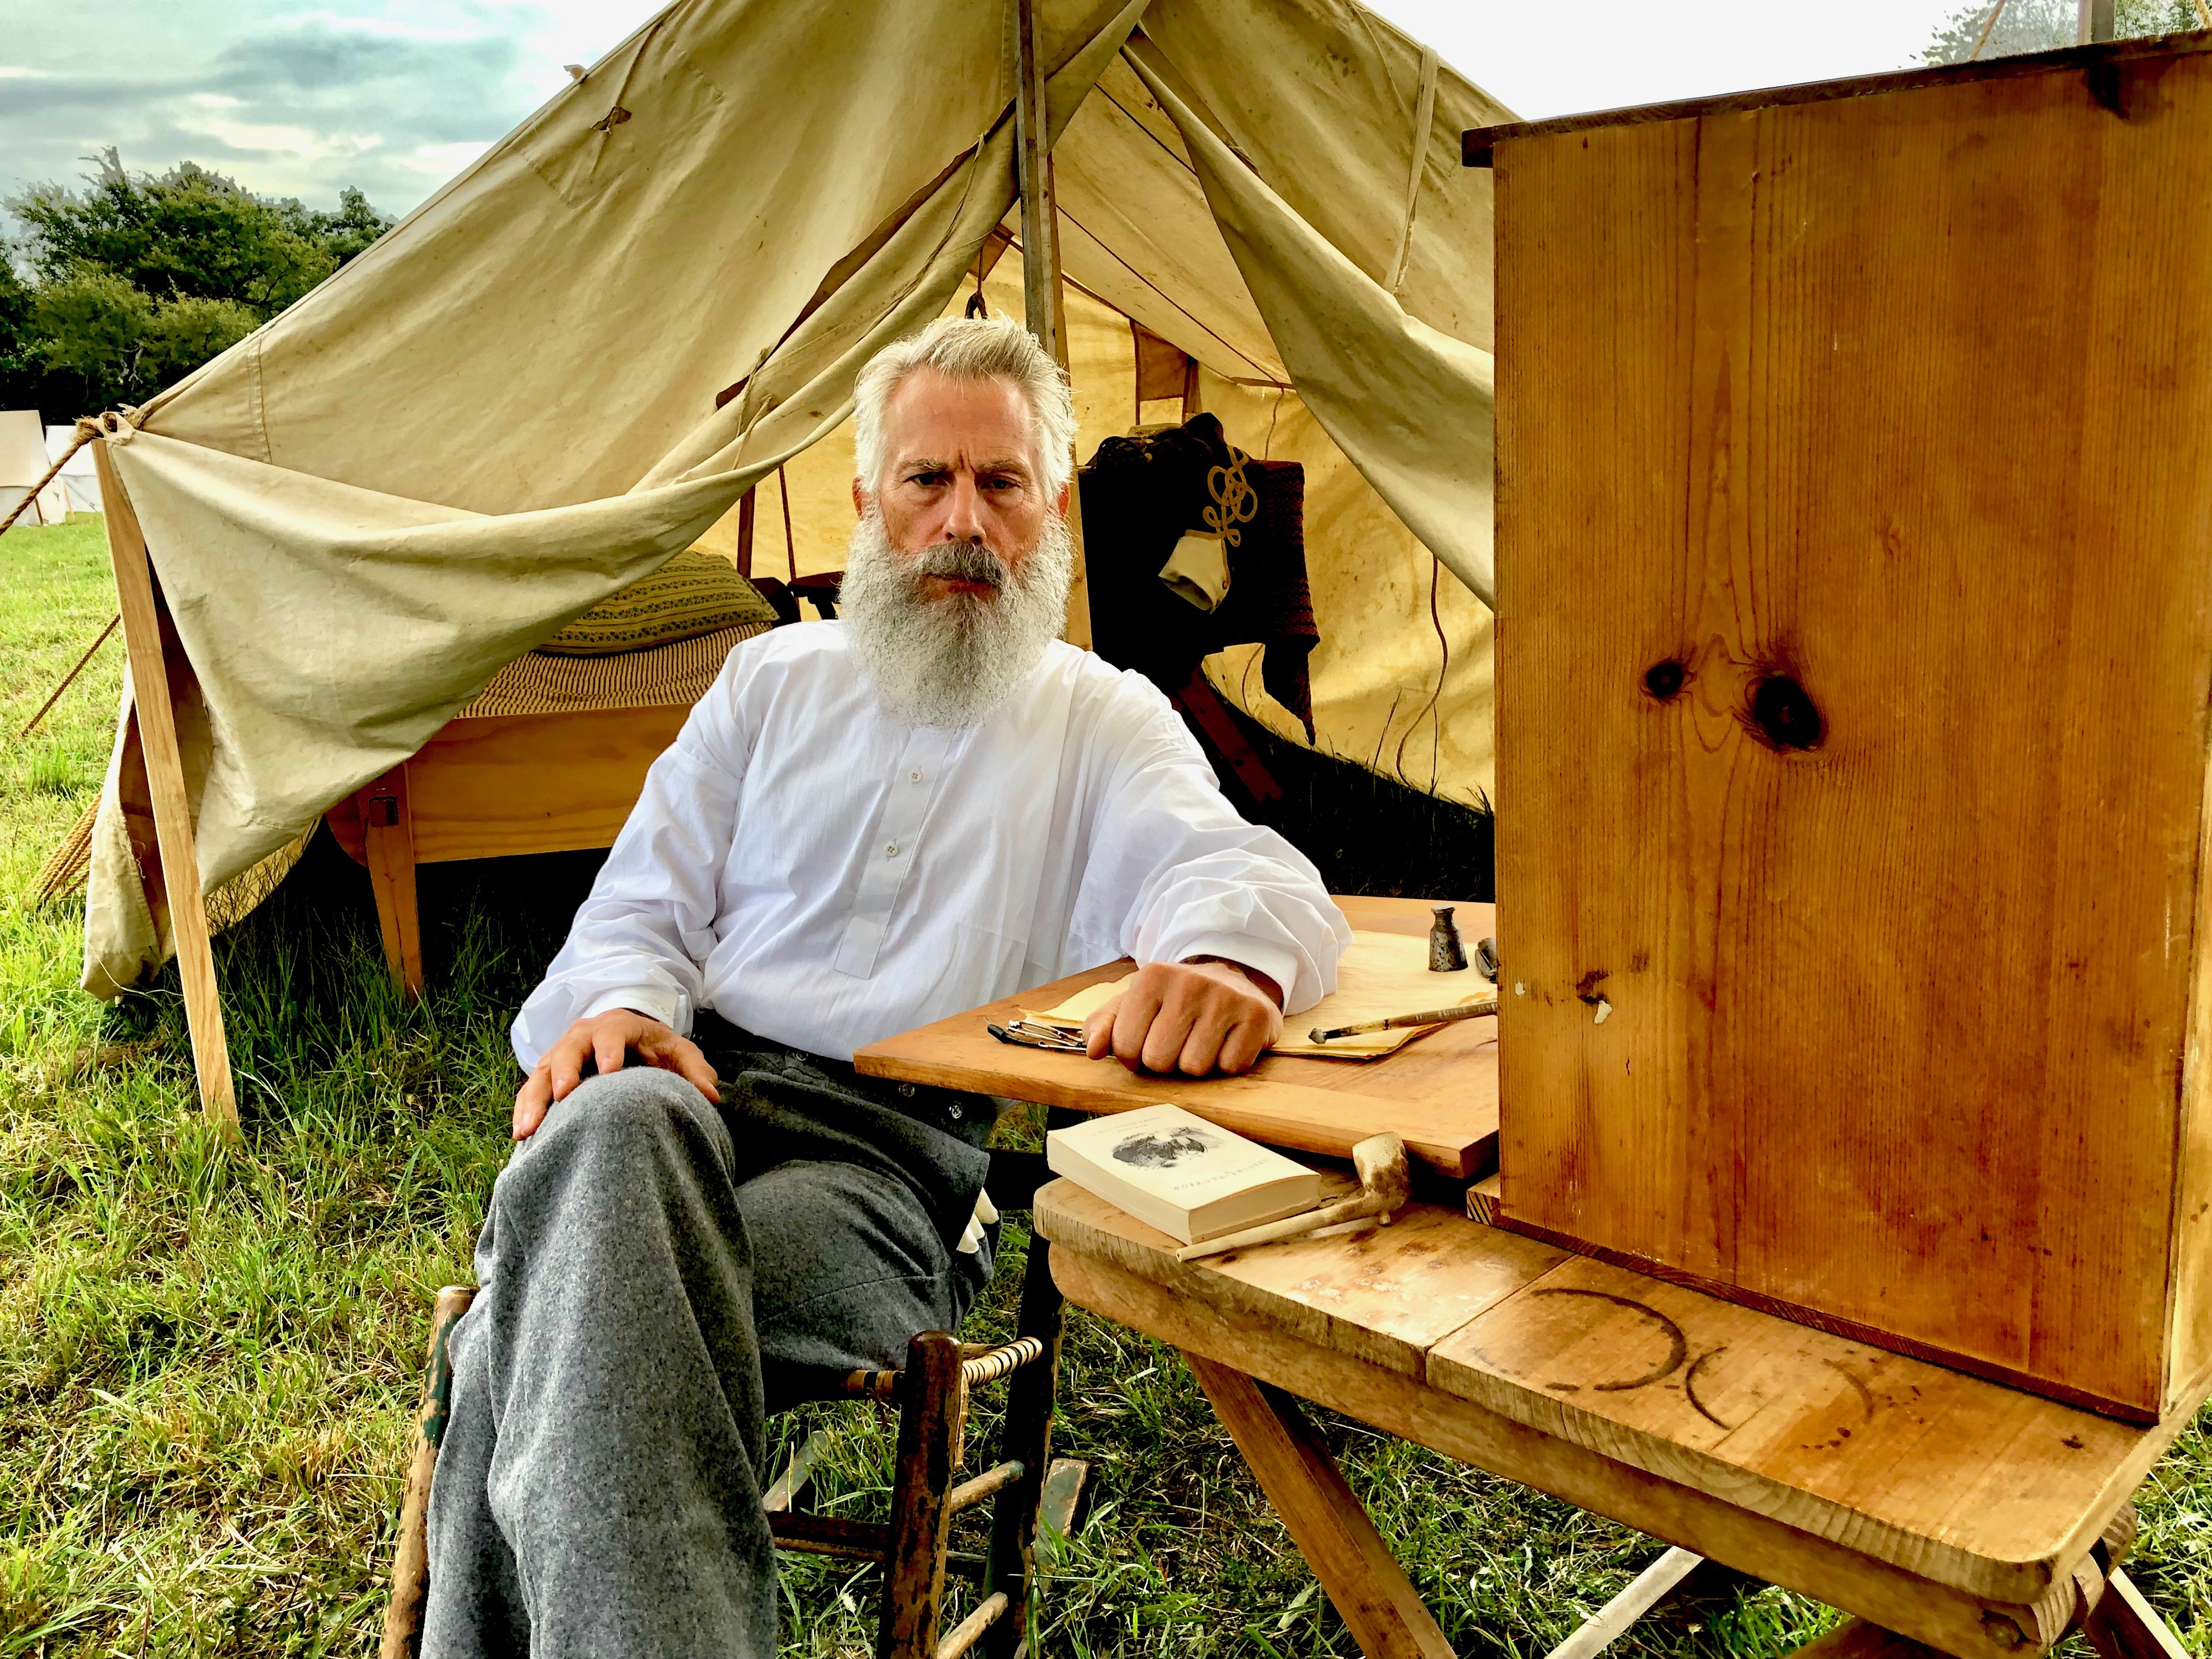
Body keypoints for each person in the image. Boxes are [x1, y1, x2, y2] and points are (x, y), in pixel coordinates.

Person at [421, 315, 1348, 1657]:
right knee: (618, 1126)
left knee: (544, 1320)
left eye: (1002, 483)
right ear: (868, 505)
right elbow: (638, 905)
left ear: (1051, 518)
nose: (962, 522)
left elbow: (1244, 875)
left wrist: (1215, 958)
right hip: (685, 1093)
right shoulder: (765, 682)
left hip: (883, 1170)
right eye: (927, 481)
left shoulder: (1105, 720)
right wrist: (621, 1006)